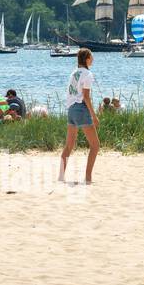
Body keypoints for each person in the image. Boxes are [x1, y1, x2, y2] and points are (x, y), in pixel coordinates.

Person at [59, 48, 99, 184]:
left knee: (69, 145)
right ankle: (88, 178)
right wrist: (94, 115)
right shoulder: (87, 74)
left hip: (71, 109)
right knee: (95, 145)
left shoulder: (74, 73)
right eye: (91, 56)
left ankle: (61, 176)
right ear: (87, 59)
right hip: (81, 108)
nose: (93, 59)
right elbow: (86, 97)